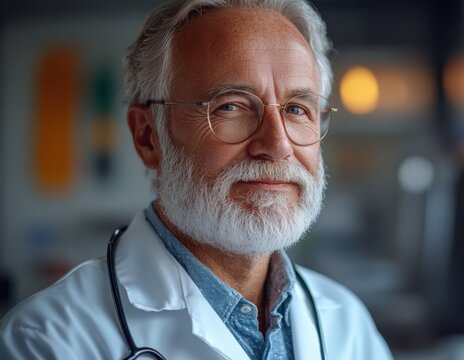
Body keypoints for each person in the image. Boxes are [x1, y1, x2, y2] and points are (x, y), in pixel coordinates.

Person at [0, 0, 393, 359]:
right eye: (231, 106)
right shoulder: (46, 339)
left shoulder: (346, 325)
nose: (276, 145)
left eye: (296, 109)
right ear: (148, 136)